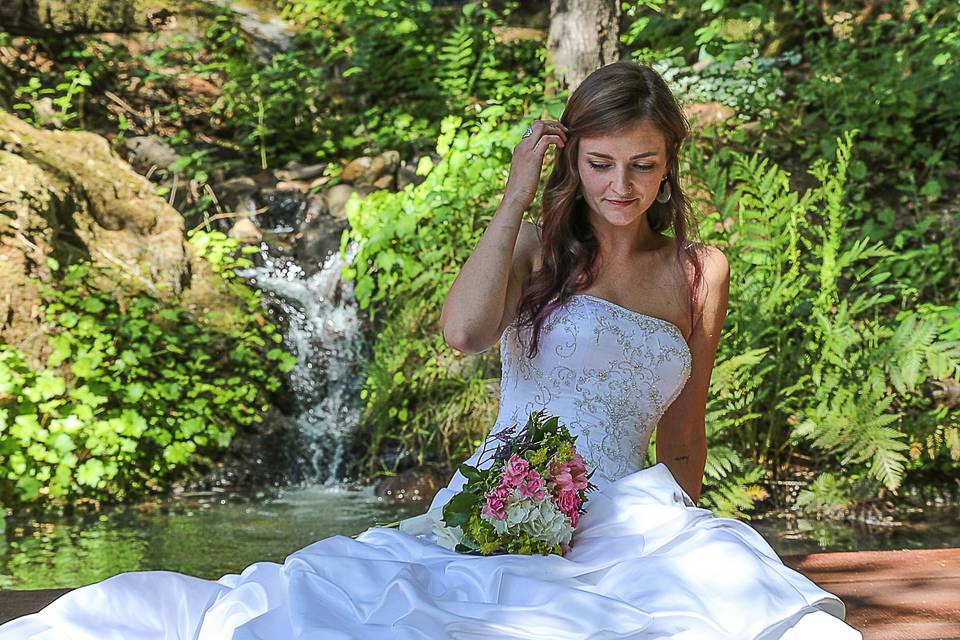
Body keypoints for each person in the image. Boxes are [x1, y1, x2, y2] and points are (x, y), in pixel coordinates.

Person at [0, 61, 863, 639]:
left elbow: (683, 430)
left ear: (669, 162)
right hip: (511, 498)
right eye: (600, 164)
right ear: (575, 160)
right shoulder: (533, 249)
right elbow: (460, 335)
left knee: (725, 598)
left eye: (642, 165)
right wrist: (519, 191)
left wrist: (681, 529)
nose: (620, 187)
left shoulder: (698, 270)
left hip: (634, 513)